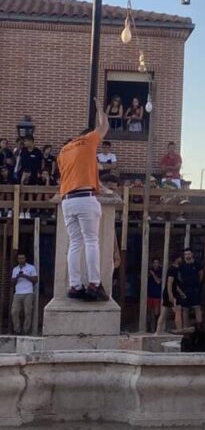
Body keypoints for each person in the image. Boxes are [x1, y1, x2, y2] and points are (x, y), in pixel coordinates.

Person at [57, 98, 110, 302]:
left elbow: (69, 176)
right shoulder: (88, 141)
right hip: (84, 199)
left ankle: (75, 285)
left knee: (75, 243)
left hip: (67, 200)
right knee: (91, 240)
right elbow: (103, 126)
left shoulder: (63, 152)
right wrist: (99, 110)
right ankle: (94, 283)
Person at [11, 253, 38, 335]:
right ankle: (17, 330)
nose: (21, 260)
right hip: (17, 293)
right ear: (17, 259)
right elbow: (12, 282)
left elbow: (35, 279)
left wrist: (25, 276)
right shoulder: (15, 269)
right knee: (14, 312)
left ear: (25, 258)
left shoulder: (31, 267)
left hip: (28, 293)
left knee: (28, 312)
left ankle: (26, 331)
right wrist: (17, 277)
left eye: (22, 258)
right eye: (19, 258)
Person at [156, 254, 183, 333]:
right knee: (177, 312)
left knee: (164, 313)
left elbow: (176, 284)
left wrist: (181, 292)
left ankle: (158, 331)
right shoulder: (172, 270)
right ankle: (179, 330)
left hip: (174, 292)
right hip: (171, 293)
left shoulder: (177, 269)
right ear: (176, 259)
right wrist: (171, 295)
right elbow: (169, 283)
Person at [177, 248, 203, 326]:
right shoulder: (181, 266)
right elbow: (178, 276)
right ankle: (186, 327)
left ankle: (199, 326)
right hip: (185, 289)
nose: (187, 256)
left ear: (192, 254)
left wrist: (198, 284)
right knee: (185, 309)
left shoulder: (197, 264)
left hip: (195, 289)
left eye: (188, 254)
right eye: (185, 254)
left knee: (197, 307)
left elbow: (201, 275)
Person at [147, 258, 162, 332]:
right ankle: (149, 326)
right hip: (149, 294)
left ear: (159, 264)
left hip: (157, 294)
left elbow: (158, 281)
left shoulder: (160, 271)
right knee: (149, 311)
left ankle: (156, 327)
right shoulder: (149, 271)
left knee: (156, 312)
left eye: (157, 263)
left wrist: (153, 274)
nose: (155, 264)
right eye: (154, 263)